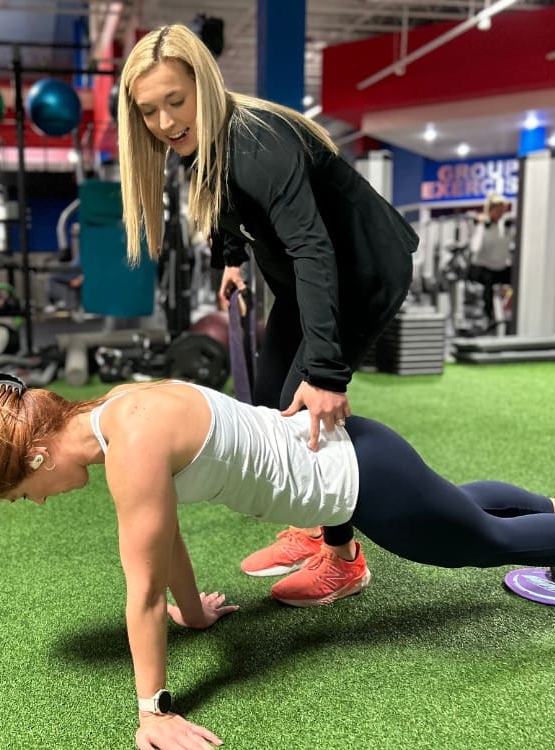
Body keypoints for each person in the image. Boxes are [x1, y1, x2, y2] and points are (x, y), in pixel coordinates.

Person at [0, 373, 555, 750]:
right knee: (456, 505)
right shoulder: (120, 411)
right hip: (360, 462)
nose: (35, 502)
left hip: (357, 483)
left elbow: (140, 586)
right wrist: (193, 613)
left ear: (32, 453)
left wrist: (152, 712)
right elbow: (163, 546)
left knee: (478, 543)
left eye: (20, 492)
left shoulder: (130, 442)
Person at [116, 25, 419, 599]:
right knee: (273, 408)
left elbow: (313, 249)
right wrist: (231, 260)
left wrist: (327, 374)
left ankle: (342, 556)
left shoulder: (257, 144)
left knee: (309, 414)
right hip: (308, 279)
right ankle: (312, 525)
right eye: (149, 110)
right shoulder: (198, 143)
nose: (164, 122)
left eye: (175, 102)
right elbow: (224, 203)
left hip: (359, 275)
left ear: (203, 84)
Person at [468, 192, 514, 332]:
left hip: (501, 267)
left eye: (503, 209)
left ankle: (508, 315)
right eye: (497, 209)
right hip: (484, 268)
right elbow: (474, 246)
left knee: (517, 280)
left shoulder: (506, 225)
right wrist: (480, 223)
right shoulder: (483, 225)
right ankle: (488, 318)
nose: (500, 212)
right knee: (487, 289)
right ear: (490, 209)